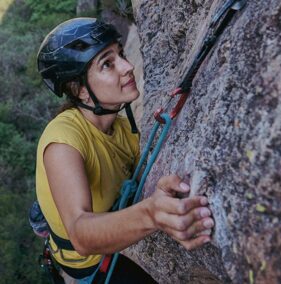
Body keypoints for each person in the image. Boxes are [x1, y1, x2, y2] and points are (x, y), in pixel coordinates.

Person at [35, 17, 214, 283]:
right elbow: (81, 235)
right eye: (107, 63)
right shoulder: (62, 141)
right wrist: (152, 213)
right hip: (87, 264)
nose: (128, 67)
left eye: (121, 54)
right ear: (81, 90)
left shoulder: (121, 126)